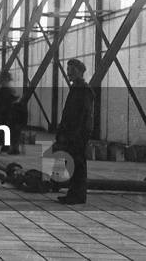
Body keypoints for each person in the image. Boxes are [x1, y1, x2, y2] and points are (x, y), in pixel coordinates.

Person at [54, 58, 93, 205]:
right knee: (73, 164)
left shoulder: (83, 90)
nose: (68, 73)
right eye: (68, 70)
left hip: (77, 135)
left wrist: (77, 135)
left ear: (78, 71)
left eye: (71, 70)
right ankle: (74, 193)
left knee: (78, 165)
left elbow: (84, 115)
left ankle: (77, 195)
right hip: (72, 133)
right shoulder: (77, 89)